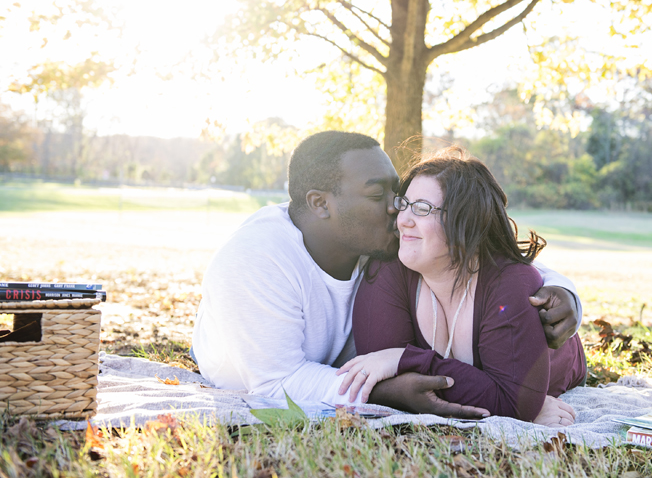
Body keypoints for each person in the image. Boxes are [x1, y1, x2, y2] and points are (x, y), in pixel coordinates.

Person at [191, 131, 583, 416]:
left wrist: (562, 289)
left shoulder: (376, 238)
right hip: (253, 374)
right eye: (380, 197)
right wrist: (387, 394)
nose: (399, 210)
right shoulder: (255, 259)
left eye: (402, 195)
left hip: (362, 366)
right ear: (321, 204)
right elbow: (276, 385)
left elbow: (490, 257)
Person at [338, 150, 586, 426]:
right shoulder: (388, 270)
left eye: (422, 208)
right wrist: (499, 398)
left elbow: (512, 402)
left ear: (465, 223)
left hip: (557, 366)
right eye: (404, 203)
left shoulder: (511, 284)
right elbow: (381, 379)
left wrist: (402, 358)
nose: (403, 219)